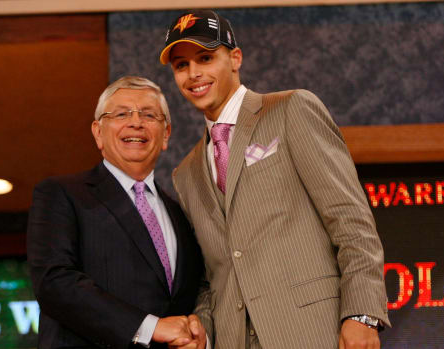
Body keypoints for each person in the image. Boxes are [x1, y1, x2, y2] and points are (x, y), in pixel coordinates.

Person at [159, 10, 391, 349]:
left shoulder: (291, 110)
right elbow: (214, 279)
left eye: (205, 58)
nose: (194, 74)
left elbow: (351, 222)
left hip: (316, 333)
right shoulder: (186, 173)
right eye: (181, 65)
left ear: (235, 58)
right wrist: (203, 332)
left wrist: (362, 315)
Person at [27, 76, 206, 349]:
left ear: (166, 134)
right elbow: (54, 282)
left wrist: (196, 335)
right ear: (98, 132)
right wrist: (149, 327)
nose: (136, 122)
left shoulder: (181, 214)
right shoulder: (61, 194)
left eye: (149, 114)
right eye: (121, 113)